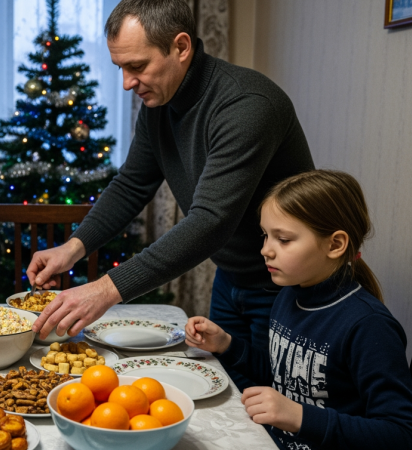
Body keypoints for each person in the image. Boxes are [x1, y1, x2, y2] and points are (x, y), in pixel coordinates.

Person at [28, 0, 313, 390]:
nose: (127, 82)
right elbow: (131, 184)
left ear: (181, 47)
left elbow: (210, 222)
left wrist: (105, 290)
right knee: (232, 391)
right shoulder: (160, 103)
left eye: (137, 66)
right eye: (121, 68)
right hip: (232, 278)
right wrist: (74, 247)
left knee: (272, 404)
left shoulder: (246, 105)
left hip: (288, 286)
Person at [185, 170, 412, 449]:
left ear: (335, 244)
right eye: (266, 236)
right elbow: (285, 378)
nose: (265, 250)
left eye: (283, 239)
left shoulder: (368, 325)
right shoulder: (288, 296)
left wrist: (300, 417)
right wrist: (227, 345)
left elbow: (405, 436)